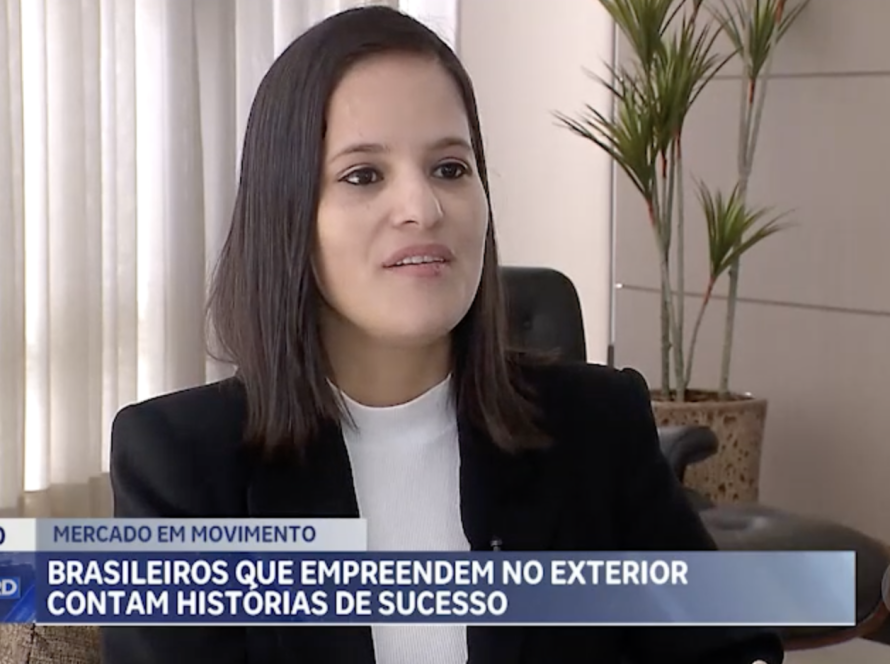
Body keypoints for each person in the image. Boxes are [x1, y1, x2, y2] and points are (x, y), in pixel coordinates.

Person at [100, 6, 783, 664]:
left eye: (450, 168)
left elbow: (725, 646)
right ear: (288, 217)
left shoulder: (597, 424)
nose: (423, 208)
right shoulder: (181, 464)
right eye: (363, 175)